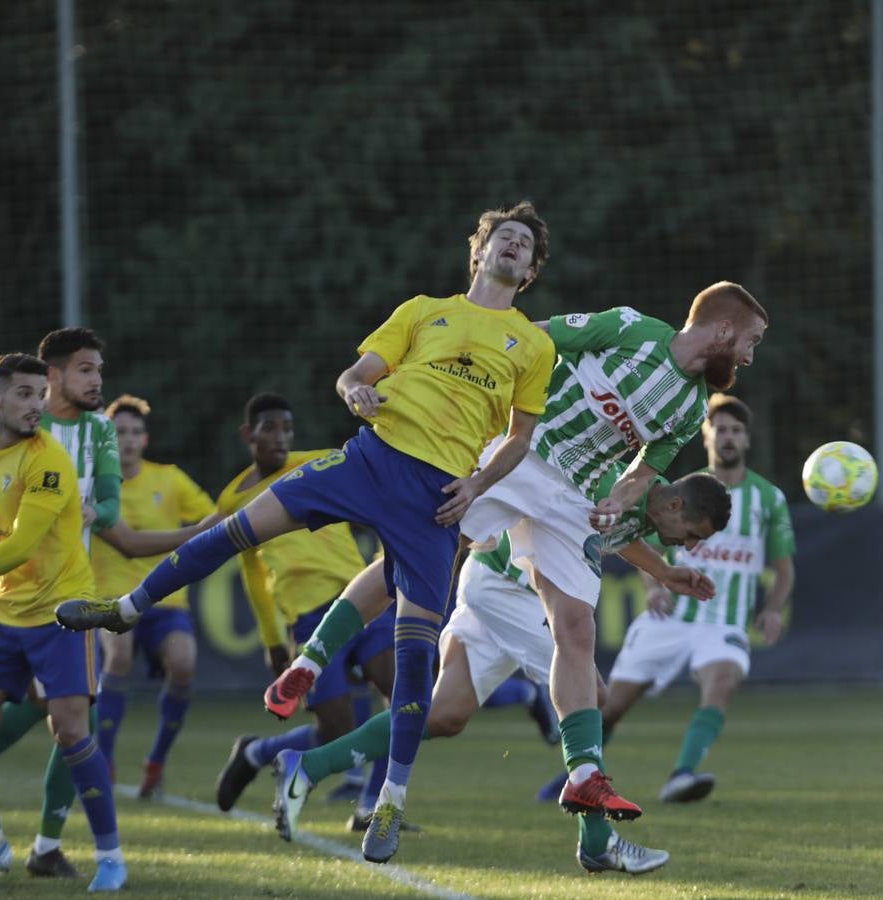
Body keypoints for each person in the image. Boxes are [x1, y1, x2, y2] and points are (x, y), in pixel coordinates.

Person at [57, 201, 557, 864]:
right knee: (241, 526)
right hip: (369, 460)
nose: (513, 247)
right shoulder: (421, 311)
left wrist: (476, 486)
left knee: (412, 662)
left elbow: (519, 440)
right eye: (504, 237)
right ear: (479, 250)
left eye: (524, 244)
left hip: (435, 499)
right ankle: (125, 609)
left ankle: (387, 805)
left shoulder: (535, 344)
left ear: (530, 271)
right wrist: (355, 391)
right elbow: (356, 375)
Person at [266, 286, 767, 862]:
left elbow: (640, 474)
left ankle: (583, 792)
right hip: (517, 457)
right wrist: (481, 399)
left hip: (572, 498)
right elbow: (533, 336)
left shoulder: (689, 406)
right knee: (417, 557)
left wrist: (616, 503)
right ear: (725, 332)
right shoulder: (630, 328)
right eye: (751, 341)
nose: (751, 357)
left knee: (559, 641)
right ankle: (314, 658)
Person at [271, 464, 731, 875]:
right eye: (693, 533)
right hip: (513, 588)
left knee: (444, 716)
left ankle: (306, 767)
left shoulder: (637, 506)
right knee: (592, 695)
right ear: (675, 503)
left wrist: (665, 572)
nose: (689, 545)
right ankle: (597, 842)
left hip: (495, 584)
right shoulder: (613, 482)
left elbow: (614, 535)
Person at [0, 353, 126, 891]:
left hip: (62, 609)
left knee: (70, 729)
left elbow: (24, 545)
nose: (37, 406)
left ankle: (110, 857)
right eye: (25, 395)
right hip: (7, 609)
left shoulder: (51, 460)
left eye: (40, 395)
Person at [541, 393, 795, 805]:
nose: (729, 438)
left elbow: (784, 567)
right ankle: (574, 774)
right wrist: (655, 586)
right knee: (612, 705)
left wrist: (770, 608)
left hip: (723, 622)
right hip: (671, 619)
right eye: (721, 429)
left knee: (723, 680)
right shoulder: (680, 490)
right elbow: (633, 536)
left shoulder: (769, 499)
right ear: (708, 436)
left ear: (747, 440)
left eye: (736, 431)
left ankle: (683, 773)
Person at [208, 393, 396, 824]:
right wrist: (274, 639)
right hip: (308, 618)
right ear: (247, 434)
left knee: (402, 696)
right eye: (270, 428)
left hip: (360, 601)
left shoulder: (324, 462)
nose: (280, 437)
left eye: (287, 429)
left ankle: (373, 805)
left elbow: (379, 506)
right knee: (337, 731)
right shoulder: (235, 499)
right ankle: (258, 752)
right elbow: (253, 574)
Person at [90, 395, 215, 796]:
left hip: (165, 599)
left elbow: (214, 517)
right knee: (119, 655)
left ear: (145, 439)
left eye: (135, 432)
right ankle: (102, 762)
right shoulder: (93, 485)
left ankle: (156, 760)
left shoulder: (170, 479)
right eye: (119, 432)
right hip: (109, 599)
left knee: (184, 664)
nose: (127, 440)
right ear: (107, 440)